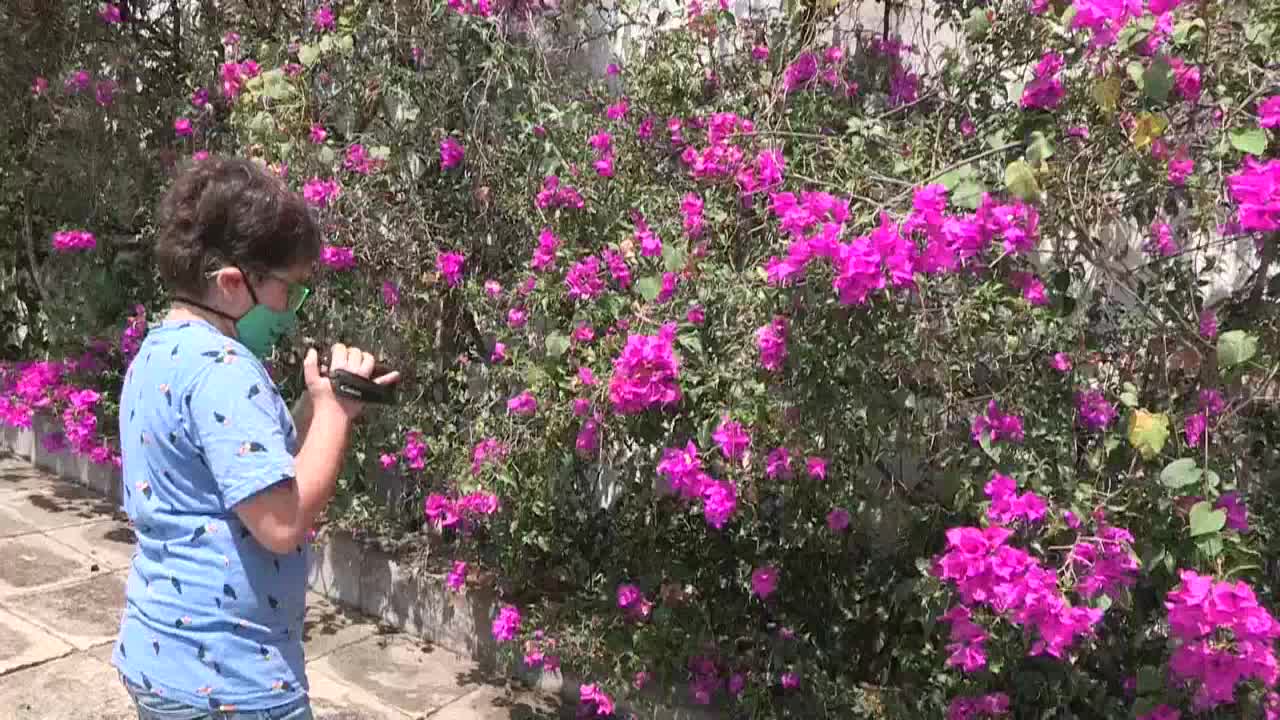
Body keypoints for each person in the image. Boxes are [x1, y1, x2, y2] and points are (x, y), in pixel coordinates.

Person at [111, 156, 398, 719]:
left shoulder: (158, 351)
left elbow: (248, 475)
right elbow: (281, 522)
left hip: (162, 655)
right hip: (230, 681)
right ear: (231, 284)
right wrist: (335, 415)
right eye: (289, 291)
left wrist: (322, 409)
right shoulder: (224, 370)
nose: (291, 310)